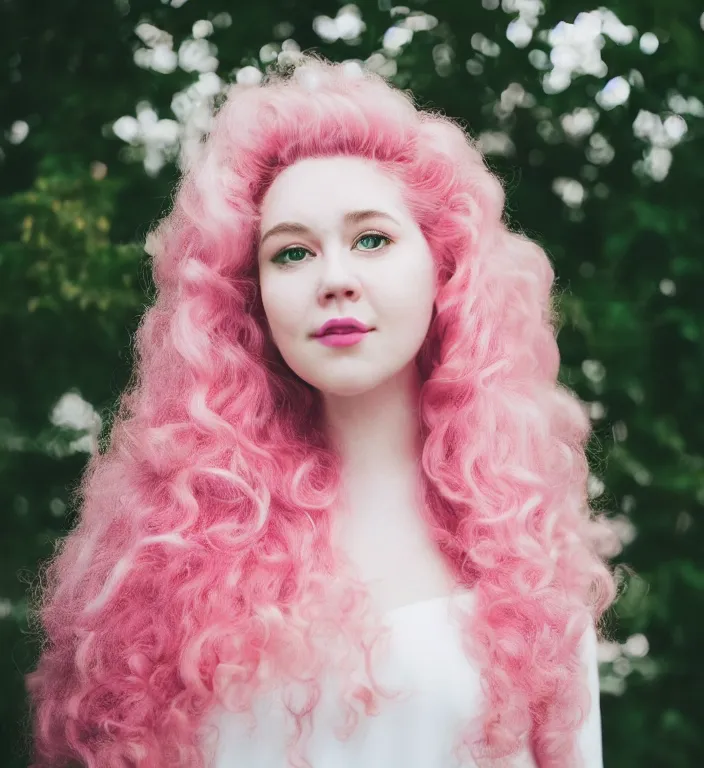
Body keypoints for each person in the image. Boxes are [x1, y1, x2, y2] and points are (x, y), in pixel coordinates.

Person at [26, 52, 618, 767]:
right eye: (292, 253)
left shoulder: (528, 547)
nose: (334, 278)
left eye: (372, 239)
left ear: (444, 267)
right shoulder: (163, 548)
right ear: (251, 298)